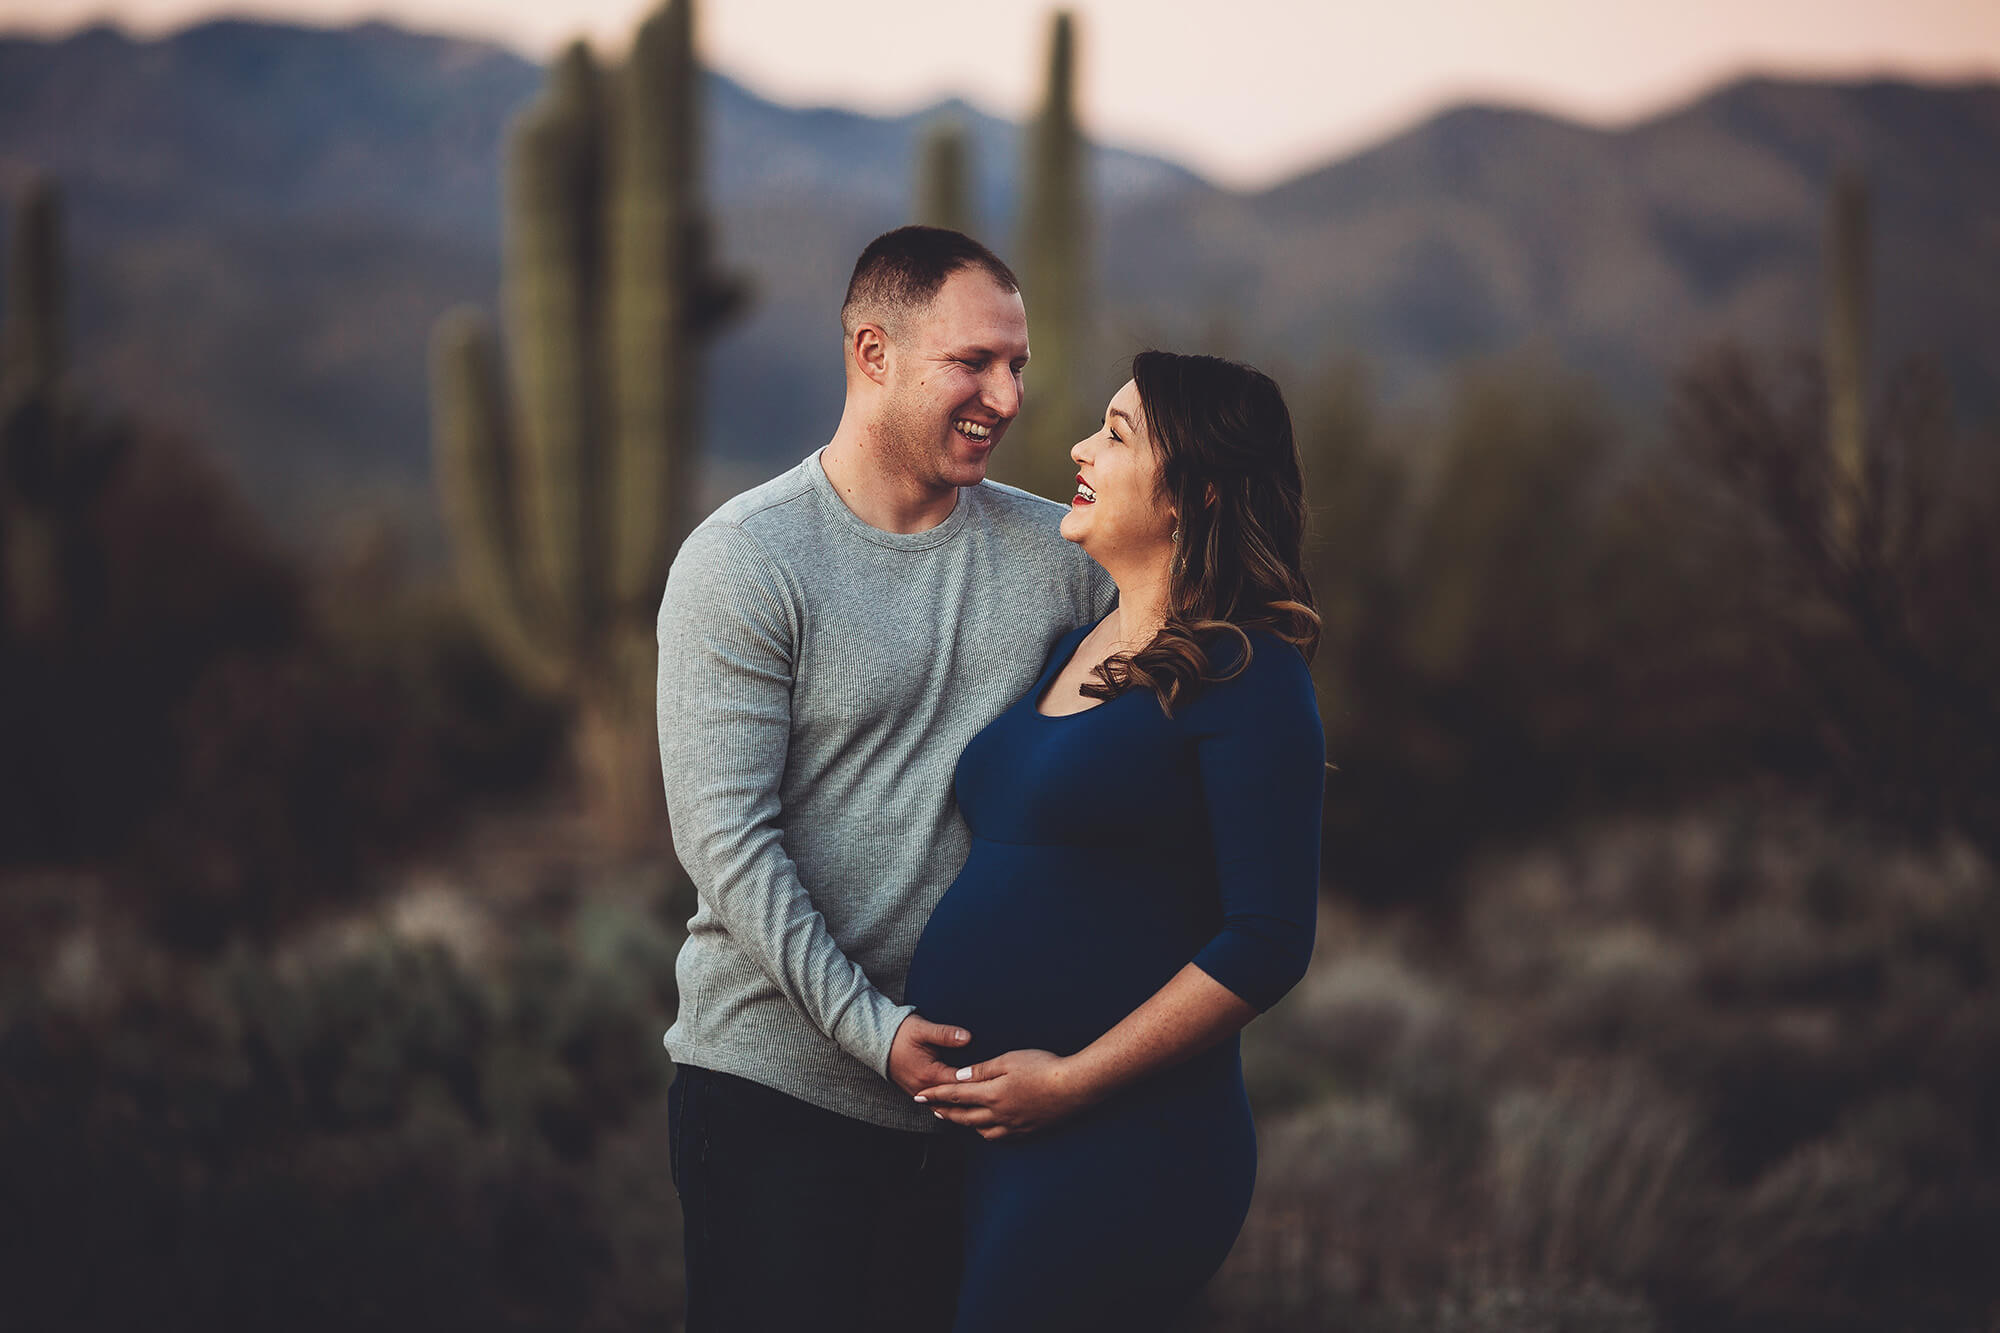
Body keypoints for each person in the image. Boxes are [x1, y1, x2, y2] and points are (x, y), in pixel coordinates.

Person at [653, 225, 1114, 1332]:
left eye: (1018, 365)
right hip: (775, 1092)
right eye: (973, 362)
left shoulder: (1060, 558)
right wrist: (874, 1032)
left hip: (979, 1111)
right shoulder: (746, 559)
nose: (1005, 396)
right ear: (872, 354)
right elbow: (727, 846)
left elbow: (1165, 708)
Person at [902, 351, 1327, 1332]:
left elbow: (1267, 940)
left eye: (1119, 433)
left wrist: (1067, 1083)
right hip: (987, 1136)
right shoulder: (1078, 641)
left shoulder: (1246, 672)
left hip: (1124, 1142)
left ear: (1197, 491)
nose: (1078, 447)